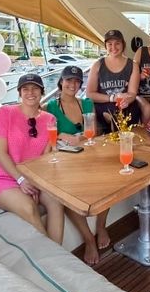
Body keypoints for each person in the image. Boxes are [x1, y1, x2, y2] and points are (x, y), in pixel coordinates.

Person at [46, 65, 109, 264]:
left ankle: (101, 226)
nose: (72, 84)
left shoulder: (86, 103)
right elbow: (46, 135)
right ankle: (89, 239)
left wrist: (83, 135)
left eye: (76, 81)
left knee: (108, 184)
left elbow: (94, 132)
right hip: (66, 160)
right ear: (61, 82)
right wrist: (61, 134)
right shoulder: (51, 107)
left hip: (89, 155)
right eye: (68, 80)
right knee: (69, 197)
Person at [0, 73, 64, 243]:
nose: (30, 92)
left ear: (42, 92)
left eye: (35, 88)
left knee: (56, 202)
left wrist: (36, 183)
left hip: (32, 177)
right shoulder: (5, 113)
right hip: (2, 177)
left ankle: (58, 254)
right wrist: (21, 179)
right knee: (29, 207)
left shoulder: (50, 119)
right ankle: (54, 262)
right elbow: (0, 153)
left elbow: (45, 157)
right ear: (19, 93)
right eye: (25, 89)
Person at [86, 29, 140, 134]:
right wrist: (112, 98)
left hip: (125, 105)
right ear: (105, 46)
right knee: (111, 113)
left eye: (117, 43)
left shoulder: (133, 65)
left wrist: (126, 100)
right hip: (104, 104)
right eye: (110, 44)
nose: (114, 47)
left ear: (123, 44)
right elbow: (90, 94)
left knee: (132, 110)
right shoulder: (97, 65)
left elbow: (132, 93)